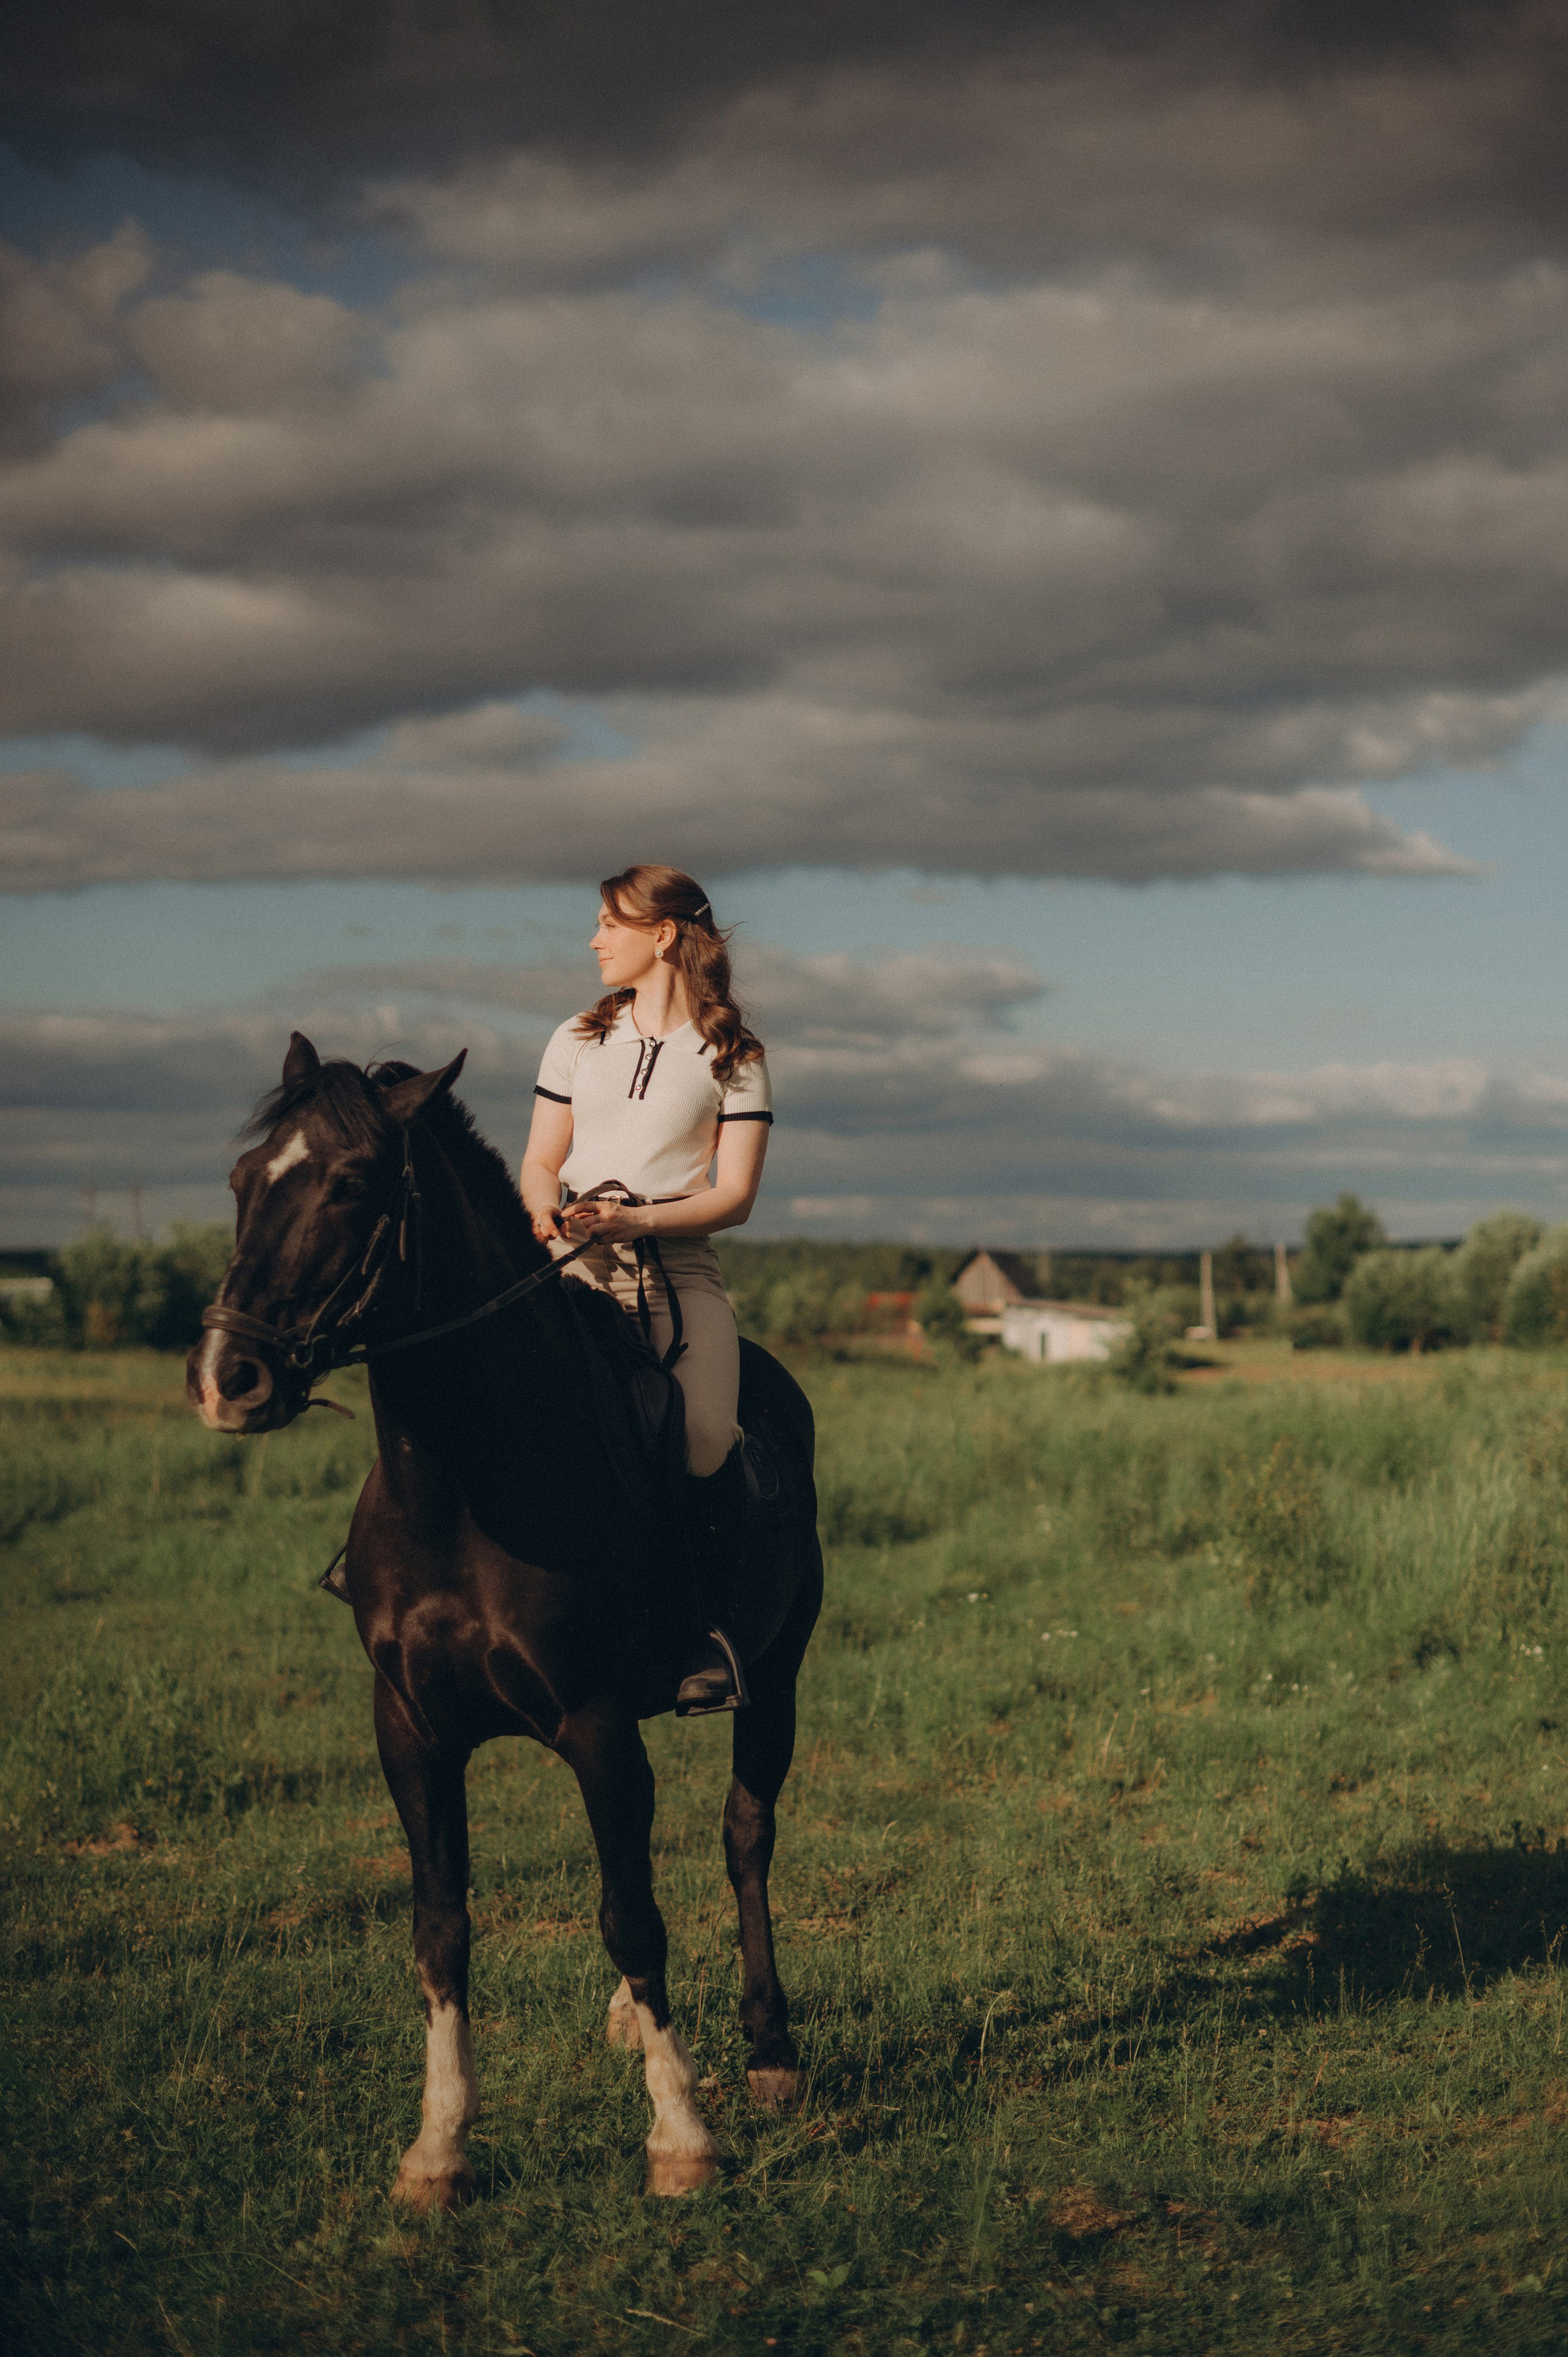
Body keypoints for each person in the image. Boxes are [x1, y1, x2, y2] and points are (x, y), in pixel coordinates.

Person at [520, 864, 773, 1714]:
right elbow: (541, 1159)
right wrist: (542, 1209)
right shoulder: (576, 1038)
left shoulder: (734, 1056)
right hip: (571, 1268)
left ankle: (704, 1632)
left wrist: (637, 1220)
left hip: (676, 1269)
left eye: (609, 924)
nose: (594, 940)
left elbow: (735, 1198)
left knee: (702, 1438)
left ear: (662, 935)